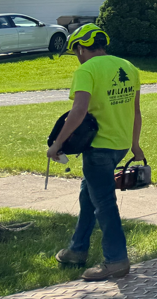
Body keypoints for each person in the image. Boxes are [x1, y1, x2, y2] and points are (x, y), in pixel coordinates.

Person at [47, 23, 143, 280]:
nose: (77, 57)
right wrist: (135, 145)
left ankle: (116, 261)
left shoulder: (86, 70)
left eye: (76, 51)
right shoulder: (128, 67)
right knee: (88, 194)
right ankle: (76, 250)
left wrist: (57, 144)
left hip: (99, 147)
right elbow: (135, 111)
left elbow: (78, 112)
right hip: (121, 145)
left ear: (80, 48)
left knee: (104, 204)